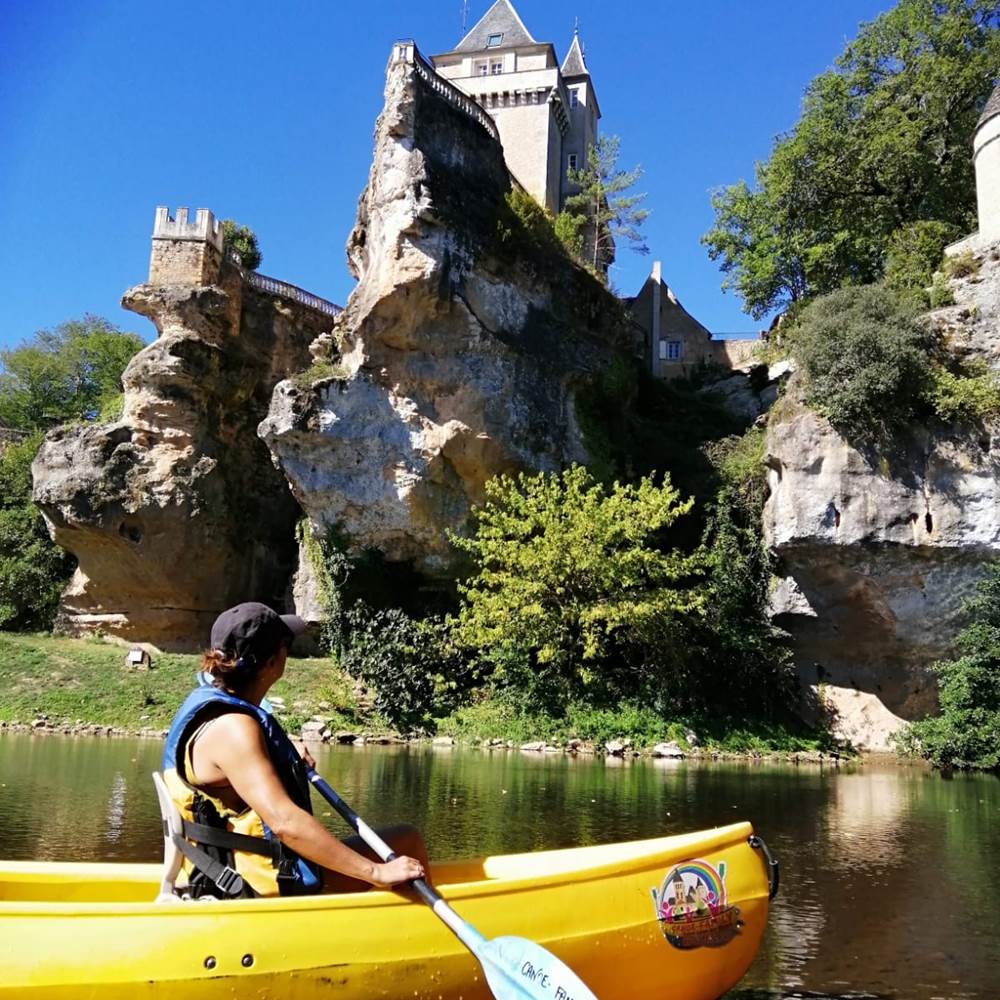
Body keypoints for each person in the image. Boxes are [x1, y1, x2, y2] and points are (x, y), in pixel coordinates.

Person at [161, 601, 428, 899]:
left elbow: (237, 769)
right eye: (285, 646)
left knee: (401, 842)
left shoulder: (210, 704)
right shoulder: (234, 729)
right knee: (408, 841)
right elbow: (285, 824)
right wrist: (376, 872)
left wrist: (279, 758)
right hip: (250, 885)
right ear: (272, 662)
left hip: (226, 870)